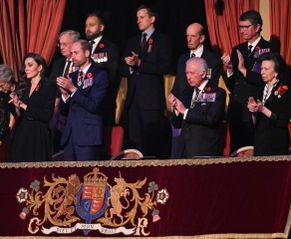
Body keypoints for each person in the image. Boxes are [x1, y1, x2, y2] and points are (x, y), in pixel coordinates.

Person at [121, 5, 172, 158]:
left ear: (152, 19)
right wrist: (130, 65)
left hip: (151, 101)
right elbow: (122, 69)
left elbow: (165, 67)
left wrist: (140, 64)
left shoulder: (162, 40)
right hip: (133, 100)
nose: (138, 21)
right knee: (135, 144)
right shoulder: (132, 41)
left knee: (151, 143)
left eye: (142, 17)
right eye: (137, 18)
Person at [221, 10, 272, 154]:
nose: (242, 30)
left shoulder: (268, 49)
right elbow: (233, 86)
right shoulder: (238, 49)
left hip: (255, 109)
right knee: (236, 154)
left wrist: (244, 70)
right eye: (241, 27)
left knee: (254, 156)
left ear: (257, 27)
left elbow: (266, 80)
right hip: (237, 110)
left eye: (246, 27)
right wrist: (230, 69)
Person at [170, 22, 222, 158]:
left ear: (202, 38)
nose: (189, 39)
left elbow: (210, 91)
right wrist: (175, 103)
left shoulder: (212, 60)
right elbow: (177, 86)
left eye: (193, 36)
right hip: (183, 125)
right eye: (187, 36)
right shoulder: (182, 59)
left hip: (201, 130)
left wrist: (186, 111)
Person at [57, 40, 108, 161]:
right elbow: (63, 111)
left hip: (88, 136)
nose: (72, 56)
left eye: (76, 53)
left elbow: (94, 105)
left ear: (86, 53)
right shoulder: (72, 76)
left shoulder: (100, 75)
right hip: (70, 136)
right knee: (68, 177)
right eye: (71, 53)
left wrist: (72, 89)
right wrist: (64, 95)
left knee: (87, 176)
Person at [168, 57, 226, 158]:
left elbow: (211, 119)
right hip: (183, 150)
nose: (188, 77)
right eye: (186, 73)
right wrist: (177, 109)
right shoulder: (186, 92)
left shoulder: (217, 93)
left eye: (192, 73)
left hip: (203, 150)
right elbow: (176, 124)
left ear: (203, 74)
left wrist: (185, 111)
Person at [6, 53, 56, 162]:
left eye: (30, 65)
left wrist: (23, 105)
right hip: (21, 133)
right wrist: (16, 107)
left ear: (40, 67)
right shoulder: (24, 87)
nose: (26, 69)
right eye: (25, 66)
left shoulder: (48, 86)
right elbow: (19, 115)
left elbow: (46, 116)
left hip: (37, 135)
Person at [247, 53, 291, 156]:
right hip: (260, 142)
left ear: (276, 72)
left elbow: (283, 121)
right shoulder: (259, 90)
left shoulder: (286, 90)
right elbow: (255, 123)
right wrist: (253, 111)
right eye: (262, 68)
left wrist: (263, 109)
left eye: (266, 69)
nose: (262, 72)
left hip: (277, 143)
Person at [48, 30, 81, 154]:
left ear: (74, 43)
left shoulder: (81, 63)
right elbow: (52, 85)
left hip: (76, 110)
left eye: (64, 44)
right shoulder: (58, 63)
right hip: (58, 111)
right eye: (59, 44)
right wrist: (56, 100)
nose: (61, 47)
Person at [85, 12, 120, 127]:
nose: (87, 28)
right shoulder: (82, 46)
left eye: (91, 25)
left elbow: (112, 75)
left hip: (103, 102)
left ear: (101, 27)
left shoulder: (110, 47)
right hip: (83, 102)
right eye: (86, 25)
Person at [0, 64, 26, 162]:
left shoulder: (24, 88)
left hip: (31, 128)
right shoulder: (2, 96)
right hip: (18, 129)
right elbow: (3, 123)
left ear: (9, 81)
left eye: (1, 86)